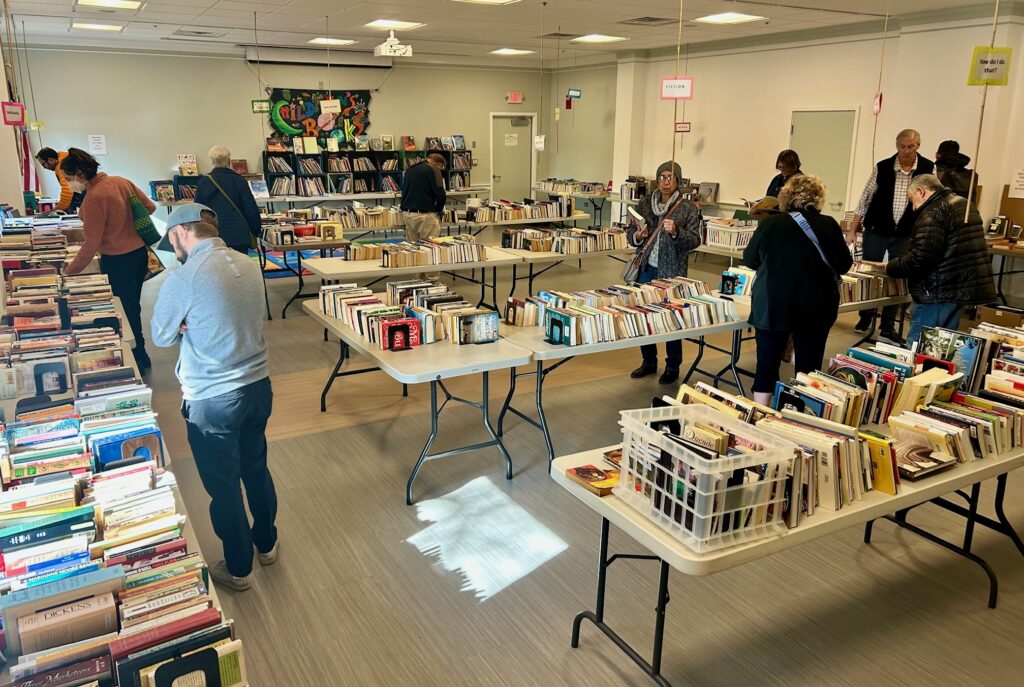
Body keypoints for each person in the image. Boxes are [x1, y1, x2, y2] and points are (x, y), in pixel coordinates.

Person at [151, 203, 278, 592]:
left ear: (180, 233)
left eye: (172, 243)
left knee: (223, 486)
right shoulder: (249, 263)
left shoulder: (184, 277)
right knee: (255, 467)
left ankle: (238, 568)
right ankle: (267, 543)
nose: (173, 251)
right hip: (258, 385)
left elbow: (160, 335)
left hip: (212, 397)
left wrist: (184, 323)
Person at [744, 175, 853, 407]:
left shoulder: (770, 224)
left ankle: (760, 415)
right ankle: (802, 416)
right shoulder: (829, 225)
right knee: (809, 367)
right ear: (818, 198)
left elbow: (750, 259)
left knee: (766, 365)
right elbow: (844, 264)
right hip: (815, 306)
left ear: (786, 197)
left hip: (773, 305)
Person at [60, 148, 155, 369]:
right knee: (132, 306)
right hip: (139, 254)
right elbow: (149, 207)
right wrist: (127, 223)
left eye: (68, 179)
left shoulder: (95, 197)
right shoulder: (122, 181)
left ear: (80, 174)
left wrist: (67, 273)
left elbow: (90, 245)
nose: (68, 184)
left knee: (124, 310)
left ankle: (137, 357)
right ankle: (142, 354)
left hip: (117, 260)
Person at [846, 129, 934, 345]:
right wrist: (852, 229)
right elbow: (864, 199)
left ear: (918, 146)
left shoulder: (927, 168)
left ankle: (887, 326)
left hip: (905, 232)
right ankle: (866, 317)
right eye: (902, 146)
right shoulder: (883, 167)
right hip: (877, 228)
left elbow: (932, 201)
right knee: (868, 272)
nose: (905, 151)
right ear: (897, 146)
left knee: (897, 276)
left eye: (910, 147)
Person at [885, 174, 995, 345]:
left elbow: (922, 257)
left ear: (921, 191)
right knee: (943, 346)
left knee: (920, 347)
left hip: (936, 290)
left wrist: (891, 267)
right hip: (960, 289)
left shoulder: (933, 212)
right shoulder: (964, 205)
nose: (912, 207)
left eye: (911, 199)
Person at [626, 160, 703, 385]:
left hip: (672, 272)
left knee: (671, 317)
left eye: (670, 177)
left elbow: (695, 241)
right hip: (646, 268)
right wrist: (637, 236)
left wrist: (677, 231)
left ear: (678, 180)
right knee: (644, 314)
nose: (665, 182)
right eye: (662, 177)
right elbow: (631, 231)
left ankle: (672, 366)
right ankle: (648, 361)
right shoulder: (645, 204)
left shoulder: (687, 208)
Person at [194, 145, 262, 254]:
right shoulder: (239, 181)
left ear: (212, 161)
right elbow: (250, 209)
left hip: (213, 236)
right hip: (239, 235)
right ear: (229, 160)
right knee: (239, 268)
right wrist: (256, 230)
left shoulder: (203, 183)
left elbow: (198, 211)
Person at [401, 153, 447, 242]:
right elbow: (441, 196)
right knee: (429, 248)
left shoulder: (410, 169)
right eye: (440, 168)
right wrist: (437, 211)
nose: (440, 171)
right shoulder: (434, 170)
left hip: (408, 214)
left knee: (412, 249)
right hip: (425, 215)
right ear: (438, 164)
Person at [35, 147, 84, 214]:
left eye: (43, 164)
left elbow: (67, 191)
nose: (44, 168)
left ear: (50, 160)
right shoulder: (64, 158)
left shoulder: (62, 166)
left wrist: (57, 209)